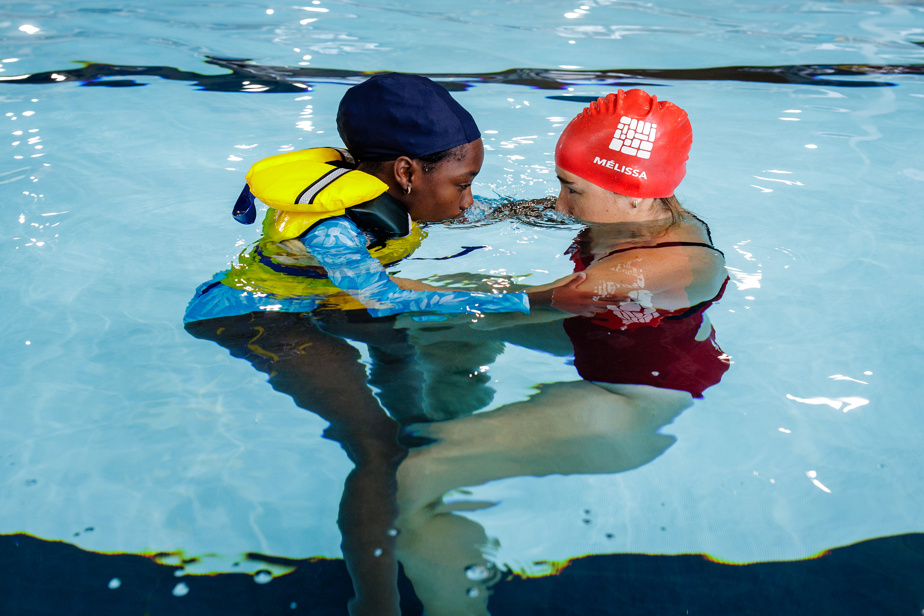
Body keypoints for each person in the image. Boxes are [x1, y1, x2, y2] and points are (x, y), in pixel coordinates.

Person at [183, 73, 612, 616]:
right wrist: (535, 299)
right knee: (377, 446)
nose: (468, 200)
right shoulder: (333, 228)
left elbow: (490, 212)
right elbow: (384, 298)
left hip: (323, 301)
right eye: (462, 183)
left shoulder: (390, 191)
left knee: (410, 389)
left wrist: (592, 212)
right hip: (259, 317)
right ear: (406, 172)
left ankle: (416, 471)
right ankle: (375, 605)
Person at [392, 90, 732, 613]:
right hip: (610, 342)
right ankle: (450, 425)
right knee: (446, 314)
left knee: (411, 479)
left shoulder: (658, 267)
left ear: (634, 196)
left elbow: (515, 306)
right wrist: (431, 207)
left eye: (570, 189)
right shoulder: (632, 212)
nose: (560, 205)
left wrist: (363, 288)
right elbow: (513, 216)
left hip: (629, 406)